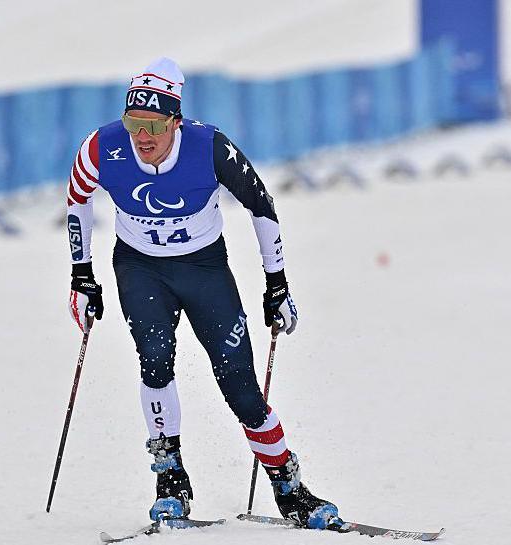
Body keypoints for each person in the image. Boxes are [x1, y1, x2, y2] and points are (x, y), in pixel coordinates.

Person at [65, 58, 339, 530]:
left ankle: (290, 489)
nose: (142, 136)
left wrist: (277, 283)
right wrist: (81, 275)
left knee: (240, 386)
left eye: (153, 125)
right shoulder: (100, 147)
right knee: (154, 360)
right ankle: (170, 481)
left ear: (175, 121)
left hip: (203, 268)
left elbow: (261, 205)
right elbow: (77, 201)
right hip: (140, 268)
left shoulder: (209, 146)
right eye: (133, 123)